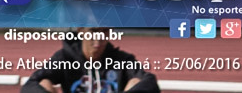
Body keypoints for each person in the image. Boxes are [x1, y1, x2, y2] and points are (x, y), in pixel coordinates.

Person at [19, 28, 160, 93]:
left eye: (104, 31)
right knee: (44, 83)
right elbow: (30, 85)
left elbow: (150, 83)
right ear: (81, 30)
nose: (98, 38)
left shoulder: (122, 59)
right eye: (93, 31)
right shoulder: (65, 58)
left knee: (136, 82)